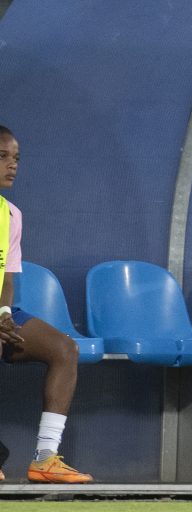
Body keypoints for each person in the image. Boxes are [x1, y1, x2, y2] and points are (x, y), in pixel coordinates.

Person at [0, 125, 93, 483]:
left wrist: (4, 314)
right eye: (2, 157)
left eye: (16, 158)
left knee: (65, 349)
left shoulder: (12, 215)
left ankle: (44, 459)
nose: (12, 165)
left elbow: (7, 279)